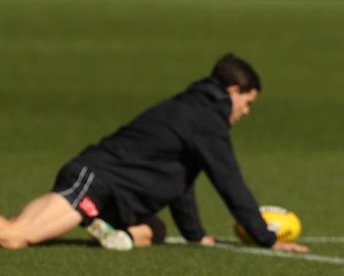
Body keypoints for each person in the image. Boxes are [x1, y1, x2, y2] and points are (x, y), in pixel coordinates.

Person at [0, 53, 309, 253]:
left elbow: (180, 181)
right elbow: (230, 183)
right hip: (94, 183)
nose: (246, 112)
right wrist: (266, 239)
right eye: (248, 102)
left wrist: (195, 235)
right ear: (232, 91)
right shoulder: (205, 119)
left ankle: (112, 233)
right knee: (14, 236)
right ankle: (95, 220)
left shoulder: (194, 111)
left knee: (155, 230)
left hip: (116, 200)